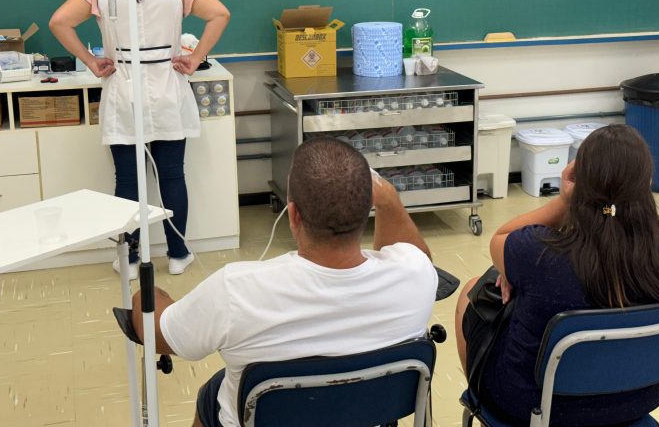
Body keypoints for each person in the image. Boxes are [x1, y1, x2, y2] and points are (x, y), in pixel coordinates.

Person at [131, 137, 439, 427]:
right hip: (367, 414)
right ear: (367, 210)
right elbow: (414, 253)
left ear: (293, 215)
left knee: (214, 391)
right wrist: (390, 202)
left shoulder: (236, 290)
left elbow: (159, 335)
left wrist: (145, 296)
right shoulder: (416, 275)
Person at [455, 124, 659, 426]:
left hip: (533, 406)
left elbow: (501, 237)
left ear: (579, 182)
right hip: (636, 399)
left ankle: (481, 403)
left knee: (473, 289)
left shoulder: (540, 253)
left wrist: (565, 200)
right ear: (647, 181)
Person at [49, 0, 230, 278]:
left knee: (129, 180)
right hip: (167, 85)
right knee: (172, 176)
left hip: (124, 87)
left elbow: (59, 22)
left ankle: (130, 260)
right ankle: (178, 255)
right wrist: (195, 60)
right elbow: (219, 13)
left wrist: (90, 61)